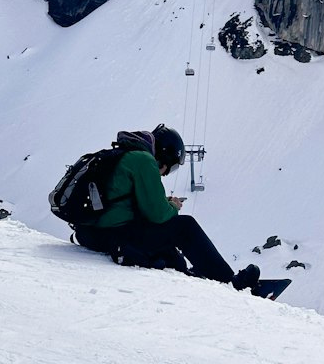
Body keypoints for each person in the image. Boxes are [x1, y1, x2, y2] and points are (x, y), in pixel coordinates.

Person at [74, 124, 260, 291]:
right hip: (114, 233)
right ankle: (230, 282)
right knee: (186, 226)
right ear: (164, 156)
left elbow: (128, 203)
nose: (164, 174)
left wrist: (162, 202)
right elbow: (158, 214)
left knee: (172, 256)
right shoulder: (144, 160)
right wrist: (172, 205)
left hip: (93, 233)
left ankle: (199, 273)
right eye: (169, 168)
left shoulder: (126, 155)